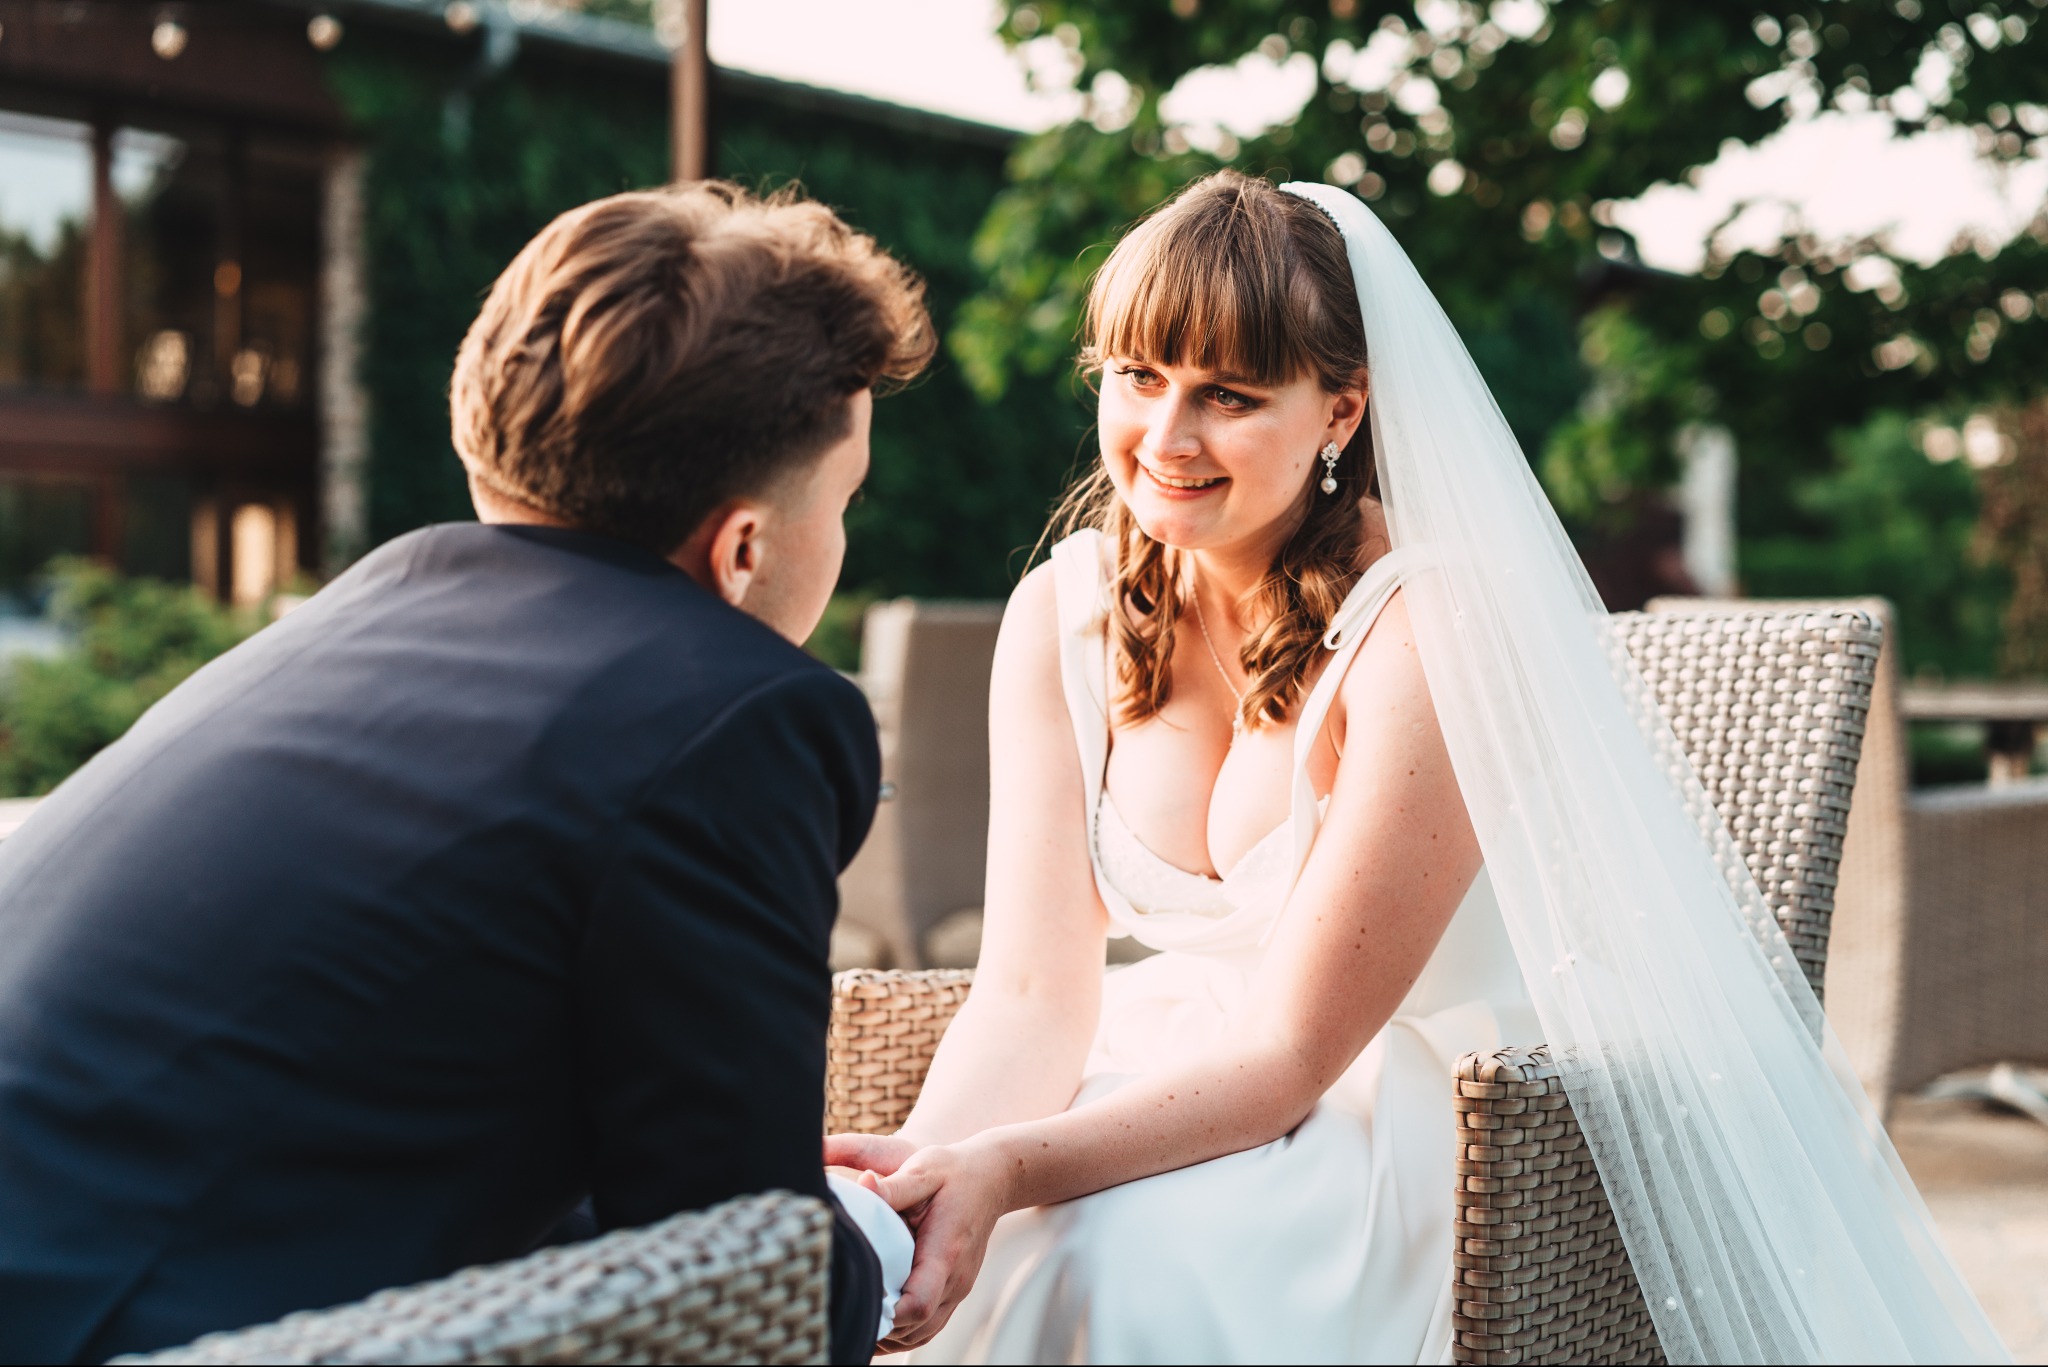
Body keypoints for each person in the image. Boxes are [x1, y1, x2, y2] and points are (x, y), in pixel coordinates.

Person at [829, 172, 2007, 1364]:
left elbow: (1292, 1057)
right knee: (962, 1250)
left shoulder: (1428, 630)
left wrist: (1012, 1165)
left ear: (1339, 413)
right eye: (1137, 378)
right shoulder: (1061, 611)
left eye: (1228, 395)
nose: (1166, 437)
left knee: (1113, 1261)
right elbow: (1031, 995)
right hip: (1177, 1056)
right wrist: (925, 1181)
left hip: (1416, 1110)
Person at [0, 182, 922, 1366]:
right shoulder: (738, 714)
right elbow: (748, 1275)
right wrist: (870, 1234)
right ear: (742, 548)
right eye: (845, 501)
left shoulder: (359, 609)